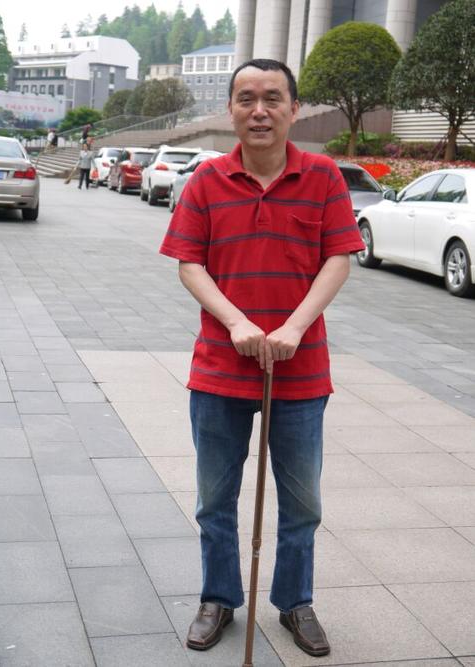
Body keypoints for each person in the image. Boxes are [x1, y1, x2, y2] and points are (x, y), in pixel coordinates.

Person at [159, 58, 365, 657]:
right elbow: (189, 263)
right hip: (219, 370)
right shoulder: (205, 180)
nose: (259, 110)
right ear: (230, 109)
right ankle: (218, 597)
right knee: (215, 500)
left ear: (293, 109)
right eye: (246, 98)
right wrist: (237, 322)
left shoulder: (323, 177)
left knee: (302, 503)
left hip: (301, 372)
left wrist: (295, 326)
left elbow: (338, 259)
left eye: (273, 98)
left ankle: (296, 601)